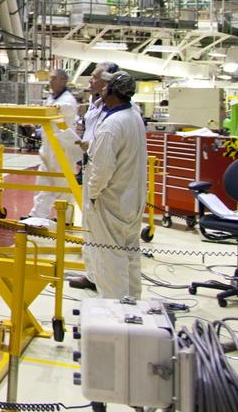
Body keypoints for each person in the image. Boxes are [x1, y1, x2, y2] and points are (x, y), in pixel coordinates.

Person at [80, 69, 148, 299]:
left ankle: (116, 316)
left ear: (111, 90)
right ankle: (134, 305)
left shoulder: (112, 126)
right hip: (131, 200)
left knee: (109, 260)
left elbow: (101, 170)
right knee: (129, 256)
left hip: (111, 202)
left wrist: (92, 196)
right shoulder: (133, 116)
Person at [69, 61, 118, 290]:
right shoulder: (96, 104)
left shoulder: (117, 111)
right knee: (89, 224)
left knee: (104, 232)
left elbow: (109, 145)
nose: (90, 81)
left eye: (95, 77)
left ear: (108, 82)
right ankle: (92, 275)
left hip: (106, 176)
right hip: (91, 166)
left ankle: (108, 281)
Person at [23, 68, 83, 227]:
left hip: (61, 149)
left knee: (62, 185)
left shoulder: (68, 100)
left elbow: (54, 113)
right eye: (50, 78)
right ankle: (37, 216)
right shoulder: (51, 98)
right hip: (48, 148)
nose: (50, 81)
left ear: (63, 81)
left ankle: (66, 218)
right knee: (43, 181)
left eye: (54, 78)